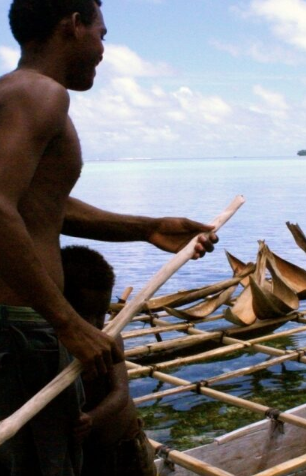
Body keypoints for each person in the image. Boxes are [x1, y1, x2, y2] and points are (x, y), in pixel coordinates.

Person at [0, 1, 217, 474]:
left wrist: (146, 228)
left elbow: (37, 204)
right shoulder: (40, 93)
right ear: (73, 27)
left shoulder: (16, 94)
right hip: (21, 328)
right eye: (102, 34)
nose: (102, 50)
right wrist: (67, 323)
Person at [61, 246, 156, 476]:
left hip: (127, 446)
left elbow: (121, 392)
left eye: (102, 313)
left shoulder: (109, 338)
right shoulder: (51, 344)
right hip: (87, 456)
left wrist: (91, 419)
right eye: (87, 314)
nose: (97, 324)